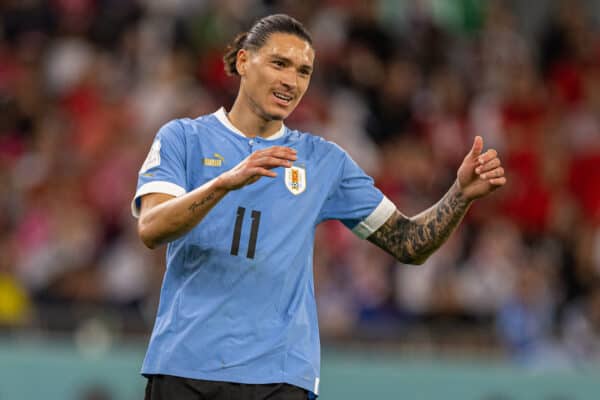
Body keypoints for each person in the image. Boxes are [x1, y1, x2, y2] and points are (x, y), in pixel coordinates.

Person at [132, 14, 506, 400]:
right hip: (184, 366)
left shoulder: (323, 161)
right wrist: (225, 182)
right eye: (279, 63)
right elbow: (152, 227)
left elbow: (408, 242)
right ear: (244, 62)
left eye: (303, 71)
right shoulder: (183, 138)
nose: (290, 82)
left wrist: (459, 196)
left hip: (279, 376)